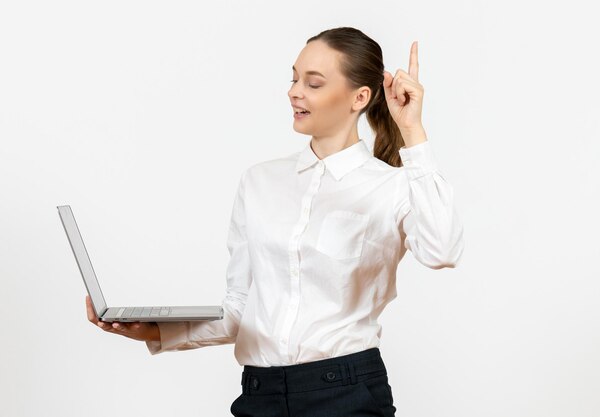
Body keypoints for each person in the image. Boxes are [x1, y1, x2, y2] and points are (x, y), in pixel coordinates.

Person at [85, 26, 465, 417]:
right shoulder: (259, 182)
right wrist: (156, 331)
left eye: (313, 83)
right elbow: (240, 310)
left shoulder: (393, 186)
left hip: (346, 393)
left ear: (360, 98)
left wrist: (413, 132)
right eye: (294, 78)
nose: (295, 91)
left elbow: (442, 250)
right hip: (259, 393)